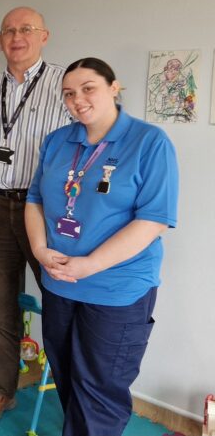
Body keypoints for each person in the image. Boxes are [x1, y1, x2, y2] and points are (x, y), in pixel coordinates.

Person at [26, 58, 178, 436]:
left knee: (100, 390)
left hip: (116, 289)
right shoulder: (57, 140)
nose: (78, 99)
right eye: (69, 93)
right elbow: (34, 199)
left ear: (114, 87)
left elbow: (154, 219)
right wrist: (40, 250)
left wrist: (90, 264)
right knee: (66, 374)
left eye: (88, 87)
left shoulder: (149, 141)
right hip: (60, 281)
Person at [0, 6, 72, 424]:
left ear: (44, 36)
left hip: (45, 207)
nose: (17, 37)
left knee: (63, 303)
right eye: (9, 30)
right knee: (0, 301)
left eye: (26, 29)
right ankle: (1, 389)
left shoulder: (65, 85)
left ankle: (75, 398)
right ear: (0, 40)